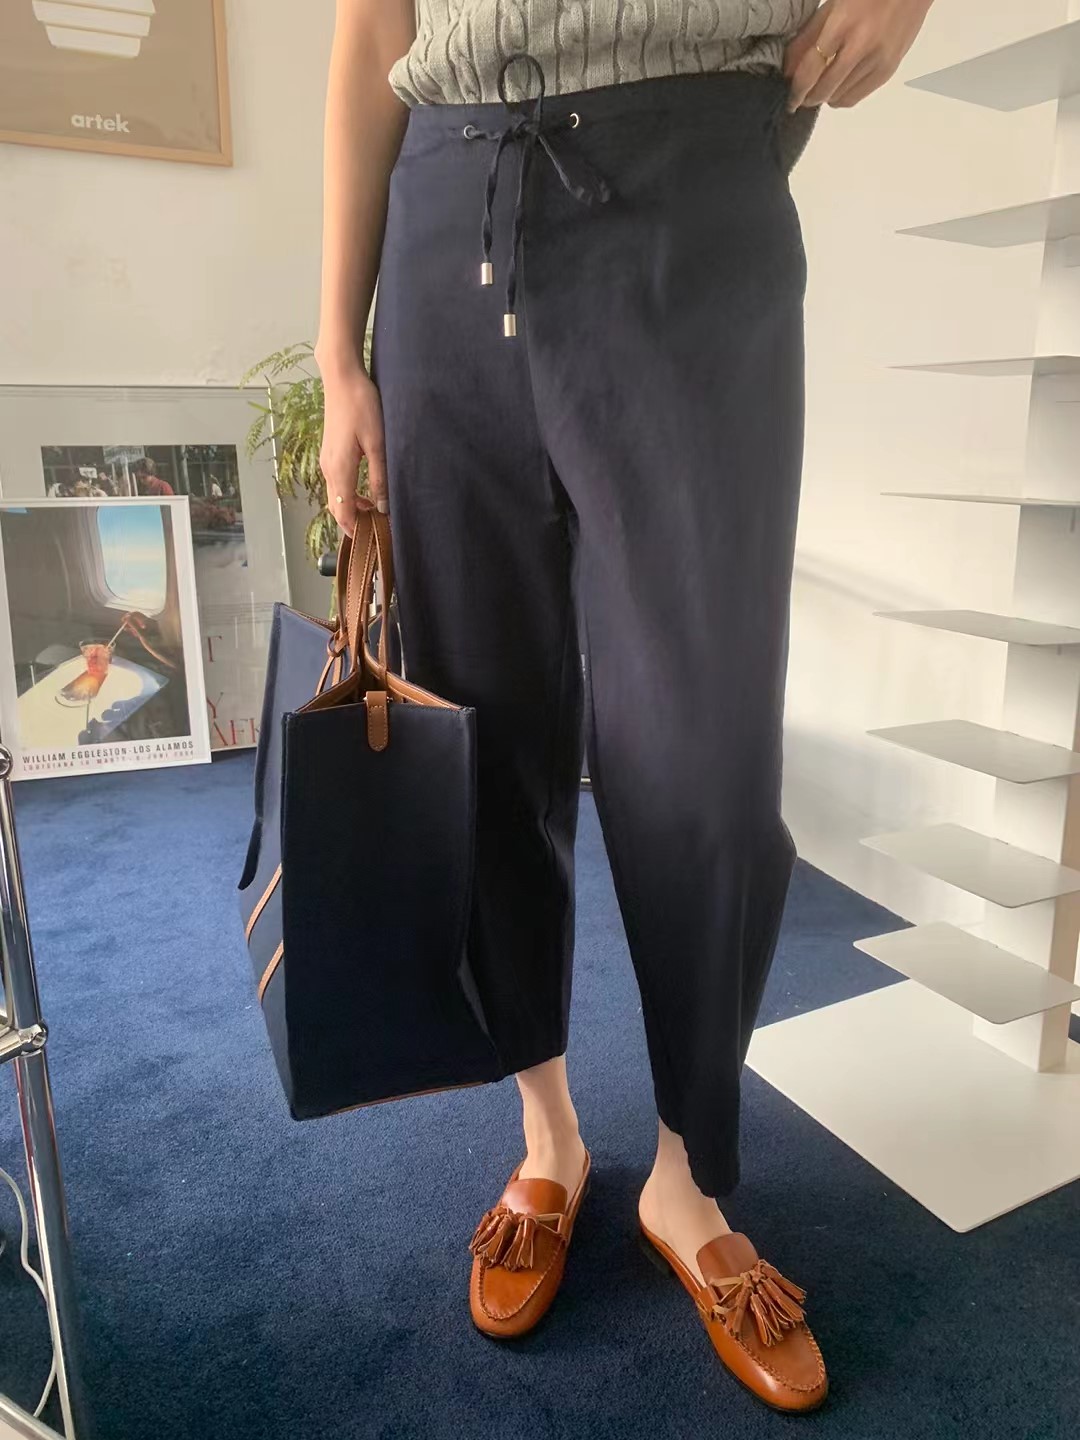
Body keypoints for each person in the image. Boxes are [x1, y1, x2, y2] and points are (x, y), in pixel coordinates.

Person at [317, 0, 935, 1413]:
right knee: (479, 734)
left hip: (691, 187)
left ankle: (686, 1179)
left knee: (706, 759)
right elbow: (369, 30)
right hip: (444, 217)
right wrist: (341, 351)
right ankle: (549, 1138)